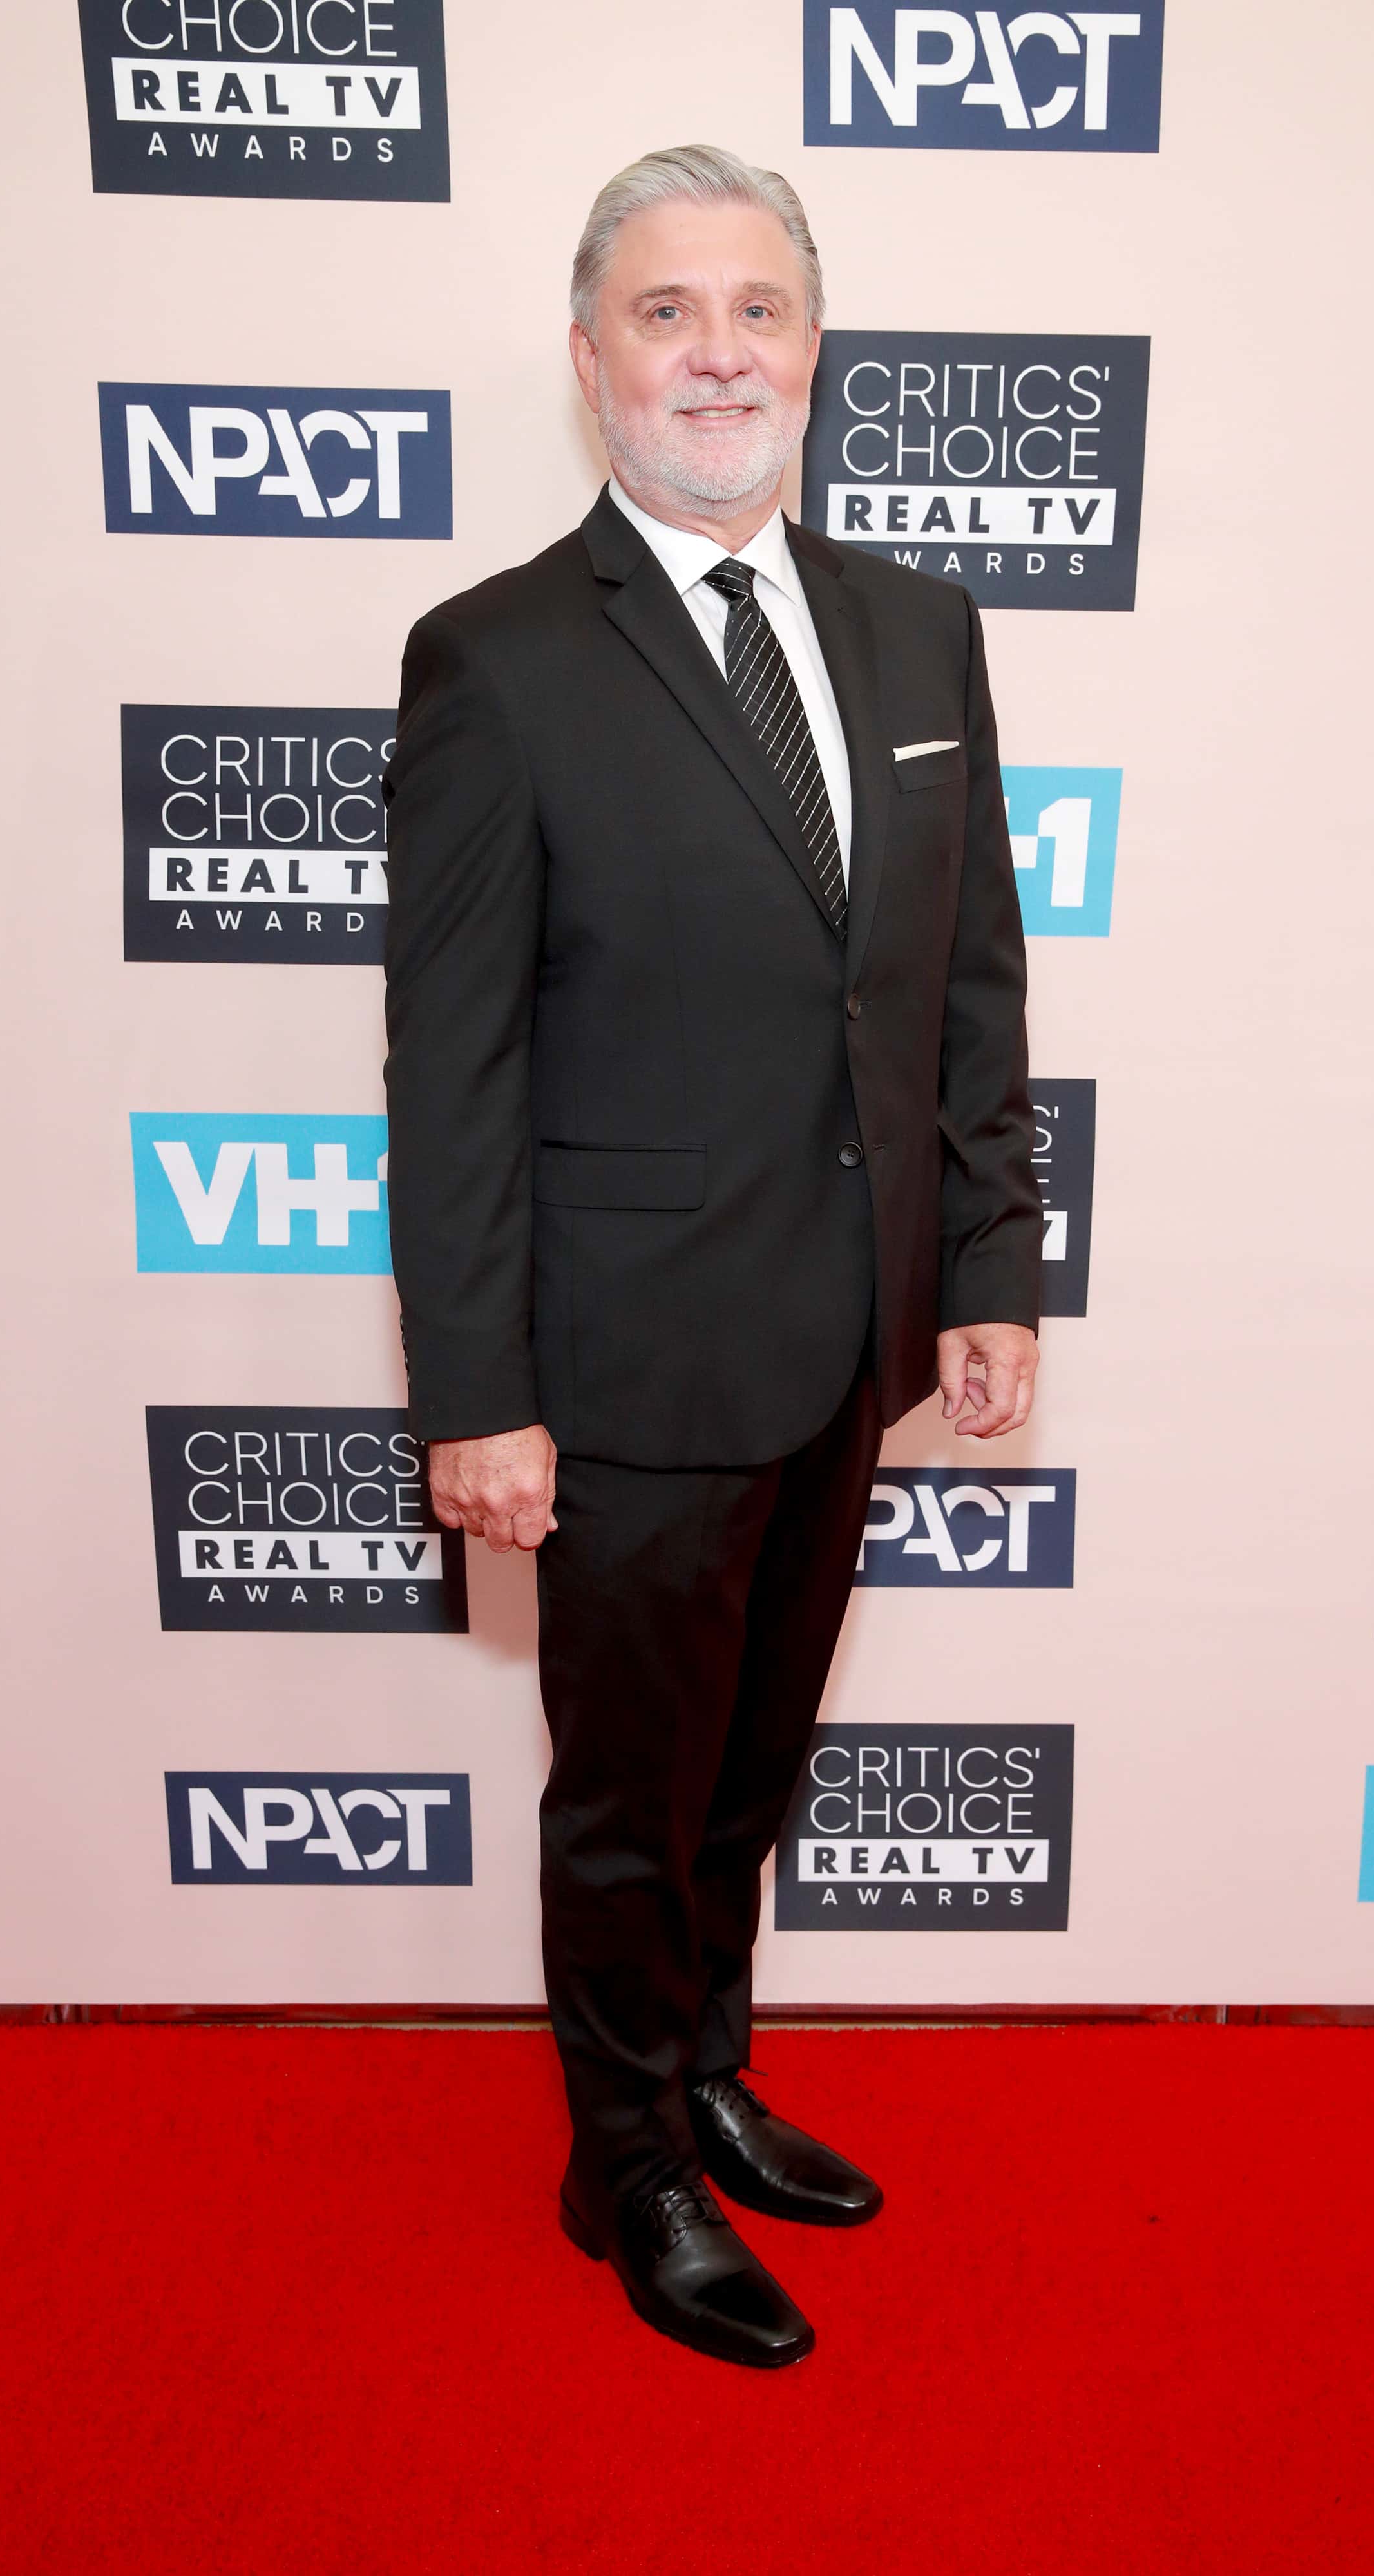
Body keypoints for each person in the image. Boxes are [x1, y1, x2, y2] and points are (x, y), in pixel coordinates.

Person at [383, 144, 1042, 2369]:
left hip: (843, 1336)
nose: (717, 353)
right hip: (627, 1356)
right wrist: (475, 1387)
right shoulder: (489, 663)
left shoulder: (916, 628)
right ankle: (625, 2163)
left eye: (755, 309)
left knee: (756, 1768)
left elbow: (961, 983)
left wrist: (988, 1260)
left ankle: (707, 2074)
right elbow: (447, 1062)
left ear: (814, 350)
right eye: (666, 314)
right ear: (589, 361)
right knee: (632, 1799)